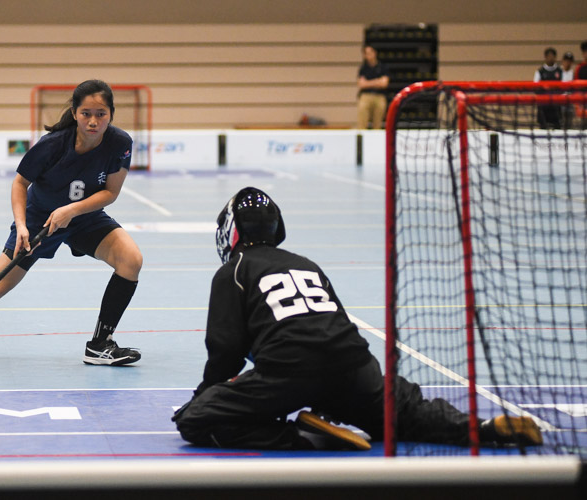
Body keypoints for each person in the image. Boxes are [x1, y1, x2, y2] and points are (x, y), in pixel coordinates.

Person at [172, 187, 544, 451]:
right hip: (355, 365)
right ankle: (483, 428)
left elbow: (225, 353)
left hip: (288, 373)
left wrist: (202, 398)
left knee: (196, 420)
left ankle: (304, 438)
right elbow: (332, 326)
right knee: (405, 411)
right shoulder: (306, 264)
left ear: (231, 232)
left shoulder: (233, 271)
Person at [0, 79, 143, 366]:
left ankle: (99, 346)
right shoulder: (53, 145)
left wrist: (71, 211)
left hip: (84, 216)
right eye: (86, 113)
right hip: (38, 219)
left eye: (101, 114)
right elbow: (20, 183)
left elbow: (110, 192)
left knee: (131, 260)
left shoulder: (120, 143)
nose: (93, 121)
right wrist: (21, 225)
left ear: (111, 114)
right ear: (75, 112)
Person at [356, 45, 389, 130]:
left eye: (370, 53)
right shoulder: (363, 68)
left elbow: (384, 83)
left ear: (375, 53)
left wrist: (368, 82)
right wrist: (377, 81)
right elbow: (361, 84)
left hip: (379, 96)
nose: (368, 55)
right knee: (362, 122)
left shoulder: (382, 67)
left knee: (377, 124)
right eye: (366, 53)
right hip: (366, 96)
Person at [533, 47, 562, 129]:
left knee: (557, 127)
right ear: (545, 57)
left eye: (552, 56)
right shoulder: (540, 71)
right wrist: (544, 88)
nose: (550, 58)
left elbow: (563, 87)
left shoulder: (560, 71)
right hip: (543, 105)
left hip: (556, 105)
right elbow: (535, 87)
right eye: (549, 56)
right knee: (543, 128)